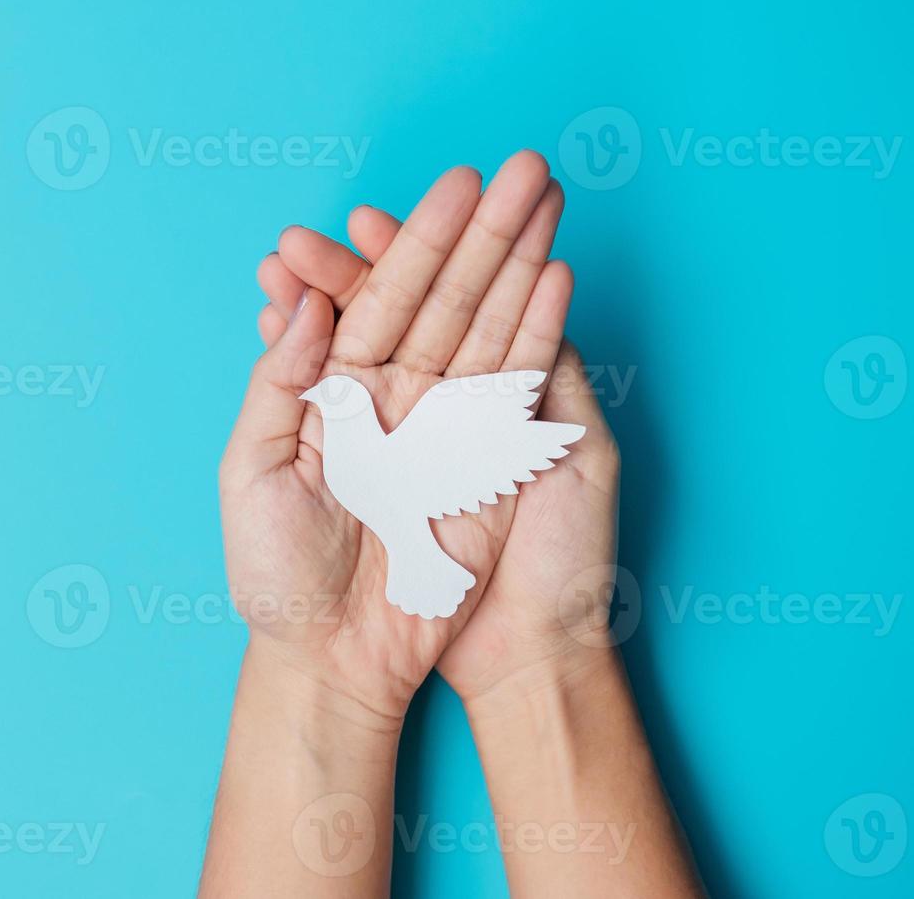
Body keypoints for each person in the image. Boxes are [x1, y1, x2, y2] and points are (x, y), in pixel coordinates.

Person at [199, 151, 706, 898]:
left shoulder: (382, 440)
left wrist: (543, 652)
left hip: (421, 542)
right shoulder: (349, 455)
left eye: (334, 401)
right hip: (405, 548)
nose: (324, 401)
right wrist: (318, 661)